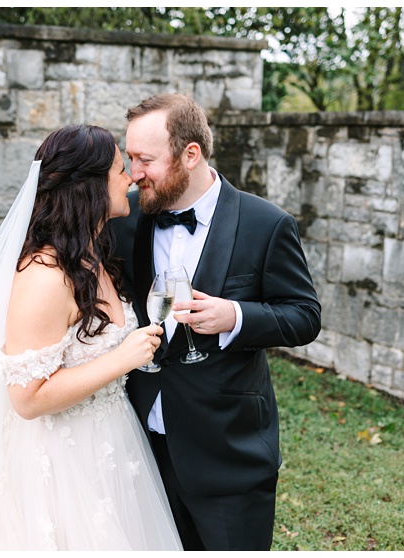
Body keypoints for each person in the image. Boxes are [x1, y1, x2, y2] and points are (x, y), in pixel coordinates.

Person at [0, 125, 182, 551]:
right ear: (88, 187)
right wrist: (124, 358)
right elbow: (27, 399)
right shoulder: (44, 277)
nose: (131, 179)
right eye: (120, 171)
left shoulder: (94, 254)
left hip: (111, 441)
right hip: (60, 460)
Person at [110, 93, 321, 550]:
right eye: (130, 158)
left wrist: (236, 316)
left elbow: (304, 316)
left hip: (229, 453)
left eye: (145, 159)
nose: (134, 172)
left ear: (191, 154)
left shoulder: (267, 224)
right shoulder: (125, 221)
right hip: (141, 447)